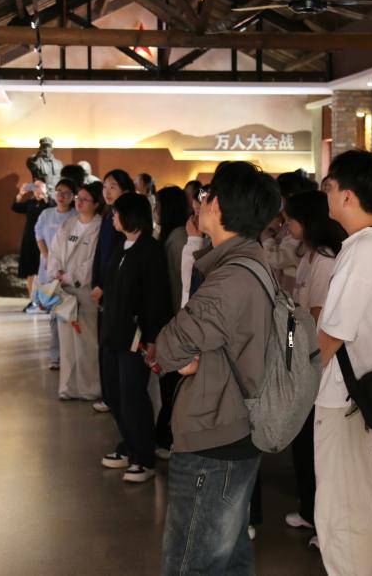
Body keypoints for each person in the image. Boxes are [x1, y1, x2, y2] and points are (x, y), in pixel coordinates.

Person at [156, 162, 281, 575]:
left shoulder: (229, 279)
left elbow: (169, 347)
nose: (201, 201)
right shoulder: (249, 261)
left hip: (214, 438)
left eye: (207, 195)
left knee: (192, 563)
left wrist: (186, 359)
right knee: (228, 559)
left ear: (221, 206)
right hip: (234, 427)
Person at [315, 150, 372, 576]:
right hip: (367, 392)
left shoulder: (363, 250)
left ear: (347, 195)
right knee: (359, 506)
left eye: (329, 187)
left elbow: (332, 334)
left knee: (342, 513)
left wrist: (295, 379)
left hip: (345, 399)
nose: (327, 195)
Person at [281, 190, 347, 542]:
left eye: (291, 219)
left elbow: (316, 318)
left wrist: (296, 354)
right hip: (302, 358)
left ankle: (320, 519)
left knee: (314, 447)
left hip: (315, 364)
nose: (286, 225)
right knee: (304, 443)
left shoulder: (324, 260)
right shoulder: (308, 257)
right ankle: (310, 511)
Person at [99, 194, 173, 483]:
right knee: (114, 394)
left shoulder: (150, 250)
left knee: (133, 397)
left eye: (116, 213)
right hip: (112, 333)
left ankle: (143, 457)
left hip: (135, 337)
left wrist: (152, 337)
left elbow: (156, 297)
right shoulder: (122, 246)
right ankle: (129, 444)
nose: (113, 217)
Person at [47, 182, 104, 401]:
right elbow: (54, 252)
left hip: (85, 292)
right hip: (64, 291)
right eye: (78, 198)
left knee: (86, 341)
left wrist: (71, 276)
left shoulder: (99, 227)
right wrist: (56, 273)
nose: (79, 202)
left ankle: (89, 388)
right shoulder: (68, 224)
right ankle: (68, 387)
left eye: (85, 199)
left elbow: (93, 263)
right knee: (67, 342)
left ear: (96, 204)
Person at [90, 169, 134, 413]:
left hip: (113, 292)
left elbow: (117, 261)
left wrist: (104, 287)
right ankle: (109, 395)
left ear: (125, 191)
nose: (107, 191)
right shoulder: (109, 216)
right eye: (105, 186)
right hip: (102, 290)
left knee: (112, 347)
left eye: (113, 187)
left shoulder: (125, 221)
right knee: (104, 346)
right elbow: (100, 256)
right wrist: (95, 283)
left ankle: (113, 398)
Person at [154, 186, 190, 458]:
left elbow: (180, 287)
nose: (155, 211)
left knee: (173, 384)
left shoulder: (178, 239)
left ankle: (169, 437)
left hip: (177, 322)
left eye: (158, 206)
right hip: (172, 321)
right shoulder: (171, 236)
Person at [34, 178, 78, 370]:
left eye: (66, 193)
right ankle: (56, 356)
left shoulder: (76, 216)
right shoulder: (46, 214)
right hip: (49, 270)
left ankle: (70, 355)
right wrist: (48, 258)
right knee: (54, 315)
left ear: (73, 196)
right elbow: (39, 236)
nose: (61, 196)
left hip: (69, 271)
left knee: (70, 314)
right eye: (59, 191)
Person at [12, 179, 52, 312]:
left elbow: (52, 207)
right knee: (30, 271)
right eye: (35, 188)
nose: (37, 190)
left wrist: (44, 196)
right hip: (30, 239)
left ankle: (45, 301)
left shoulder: (49, 203)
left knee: (44, 271)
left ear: (45, 188)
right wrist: (21, 193)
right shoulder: (30, 202)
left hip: (45, 240)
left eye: (40, 187)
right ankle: (33, 300)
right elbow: (15, 207)